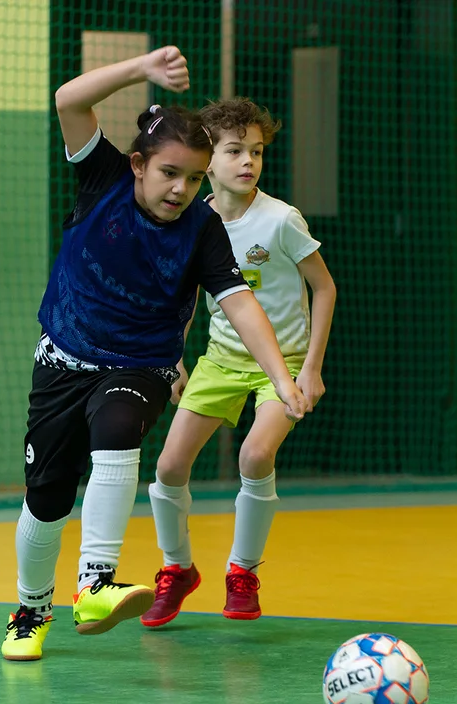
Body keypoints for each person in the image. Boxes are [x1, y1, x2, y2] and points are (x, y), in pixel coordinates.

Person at [2, 52, 311, 661]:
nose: (182, 189)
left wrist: (283, 376)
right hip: (63, 358)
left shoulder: (201, 227)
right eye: (170, 173)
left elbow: (241, 303)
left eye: (195, 179)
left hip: (140, 364)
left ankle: (94, 583)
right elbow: (69, 100)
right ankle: (31, 608)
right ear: (139, 165)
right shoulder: (104, 179)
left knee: (119, 430)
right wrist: (143, 66)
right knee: (47, 498)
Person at [141, 97, 336, 628]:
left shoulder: (280, 220)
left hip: (286, 362)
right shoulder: (194, 220)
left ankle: (242, 572)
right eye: (234, 151)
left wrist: (311, 368)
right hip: (220, 360)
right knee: (168, 467)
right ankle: (177, 570)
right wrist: (174, 358)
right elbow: (184, 296)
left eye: (256, 151)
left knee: (254, 455)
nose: (248, 160)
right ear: (209, 157)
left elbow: (324, 287)